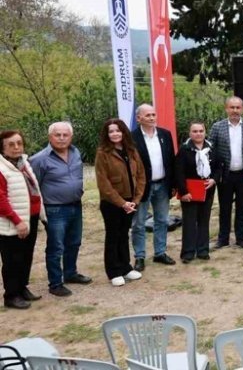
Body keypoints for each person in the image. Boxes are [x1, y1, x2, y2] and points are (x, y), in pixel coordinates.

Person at [30, 122, 92, 297]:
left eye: (65, 135)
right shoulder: (39, 159)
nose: (62, 138)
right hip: (54, 210)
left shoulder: (75, 152)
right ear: (50, 137)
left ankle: (70, 273)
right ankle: (55, 283)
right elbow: (33, 187)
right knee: (56, 247)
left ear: (71, 137)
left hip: (76, 205)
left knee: (74, 242)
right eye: (58, 135)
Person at [94, 120, 146, 287]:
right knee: (113, 236)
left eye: (118, 130)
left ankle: (125, 267)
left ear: (124, 132)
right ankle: (114, 272)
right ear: (106, 134)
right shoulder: (102, 153)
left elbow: (141, 176)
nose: (115, 134)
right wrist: (122, 203)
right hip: (112, 203)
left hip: (131, 201)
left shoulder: (131, 150)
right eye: (111, 131)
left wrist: (135, 200)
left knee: (124, 234)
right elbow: (103, 183)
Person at [209, 96, 243, 250]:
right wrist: (214, 174)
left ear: (242, 109)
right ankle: (223, 239)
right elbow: (211, 151)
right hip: (225, 175)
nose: (235, 110)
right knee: (224, 208)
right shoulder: (217, 127)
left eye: (238, 107)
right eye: (232, 107)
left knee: (242, 208)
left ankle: (241, 238)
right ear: (226, 109)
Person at [0, 131, 44, 308]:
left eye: (19, 143)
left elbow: (33, 190)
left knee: (26, 256)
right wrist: (17, 221)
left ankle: (22, 287)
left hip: (30, 217)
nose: (16, 147)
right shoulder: (2, 168)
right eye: (11, 144)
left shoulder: (23, 163)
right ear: (2, 148)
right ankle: (11, 295)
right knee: (12, 260)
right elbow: (1, 199)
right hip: (13, 222)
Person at [130, 103, 177, 271]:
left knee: (162, 220)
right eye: (147, 115)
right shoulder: (132, 138)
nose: (151, 118)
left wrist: (173, 184)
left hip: (163, 184)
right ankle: (139, 256)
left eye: (153, 114)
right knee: (138, 223)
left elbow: (171, 160)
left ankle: (160, 252)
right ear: (138, 118)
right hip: (142, 187)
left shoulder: (165, 134)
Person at [174, 121, 220, 264]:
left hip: (207, 189)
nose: (198, 134)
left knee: (204, 220)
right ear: (190, 133)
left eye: (201, 131)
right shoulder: (184, 149)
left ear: (205, 132)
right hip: (189, 191)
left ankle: (203, 250)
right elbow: (179, 172)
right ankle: (188, 252)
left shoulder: (212, 148)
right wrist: (184, 192)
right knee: (189, 221)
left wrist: (214, 179)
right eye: (195, 131)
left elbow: (219, 166)